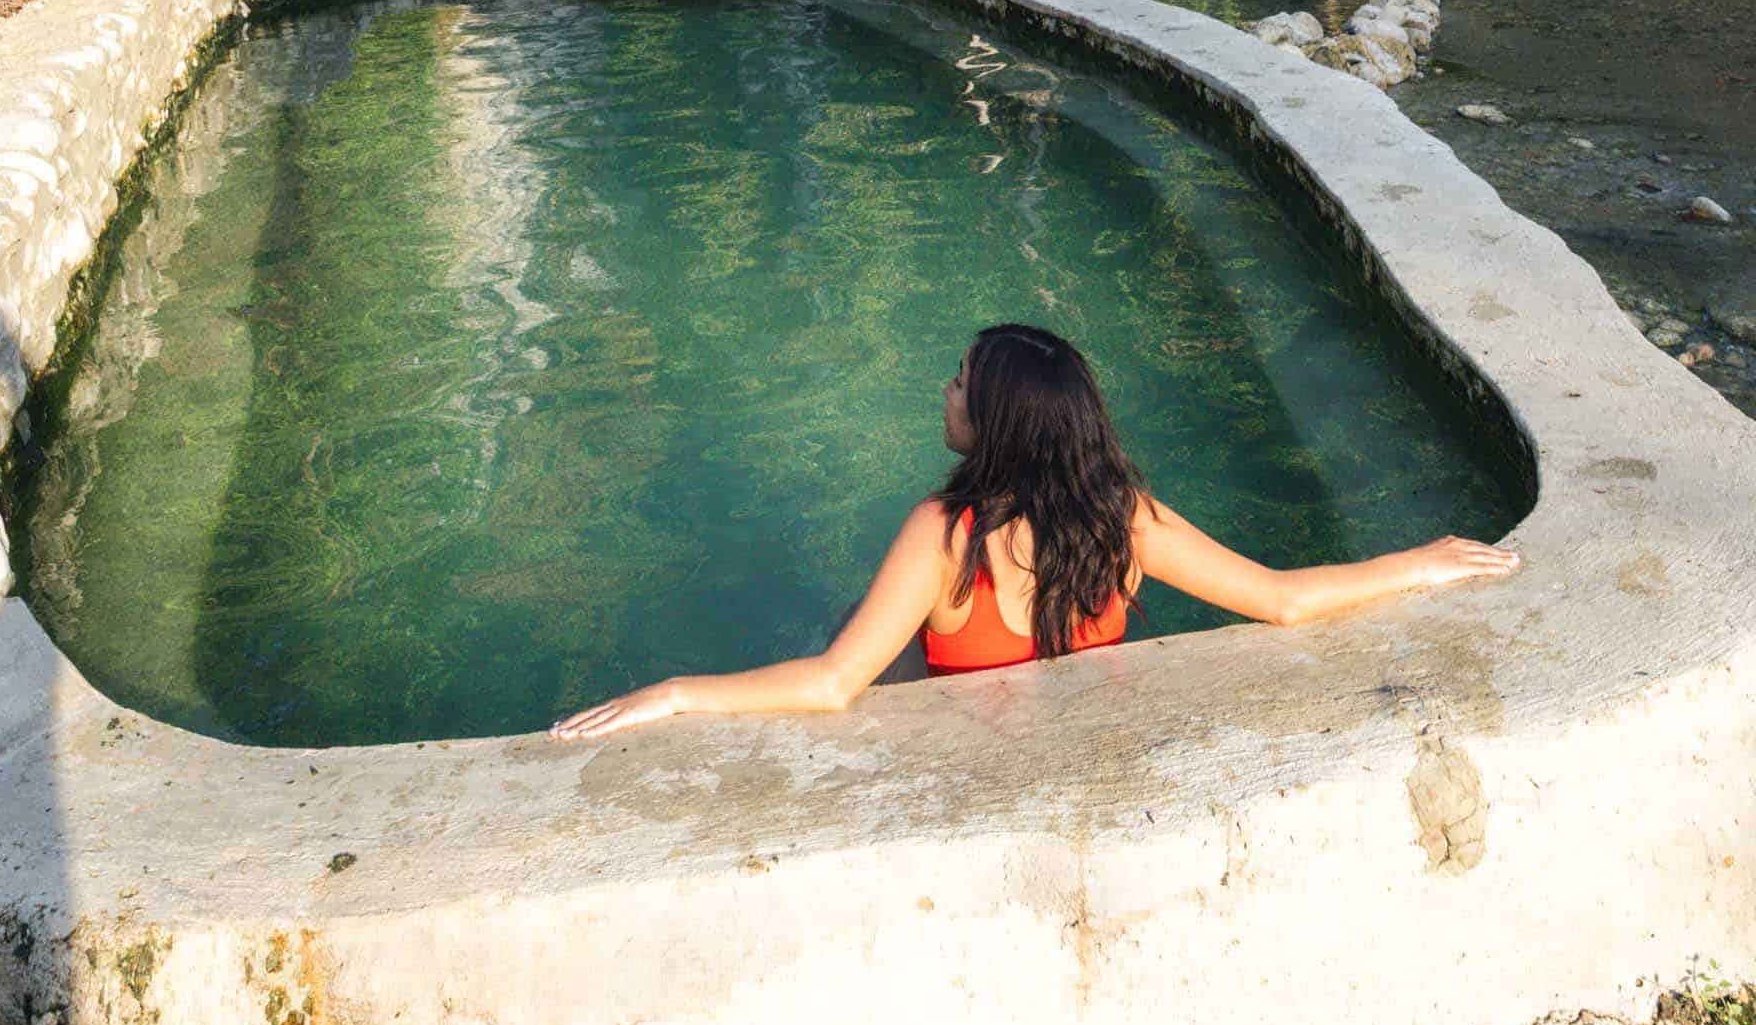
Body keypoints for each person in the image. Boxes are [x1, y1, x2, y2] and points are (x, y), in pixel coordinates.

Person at [551, 323, 1519, 740]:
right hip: (1075, 724)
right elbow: (1282, 599)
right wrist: (1418, 565)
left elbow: (832, 685)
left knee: (863, 629)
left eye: (960, 383)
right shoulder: (1122, 518)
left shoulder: (943, 532)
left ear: (995, 422)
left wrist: (676, 693)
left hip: (944, 719)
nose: (947, 388)